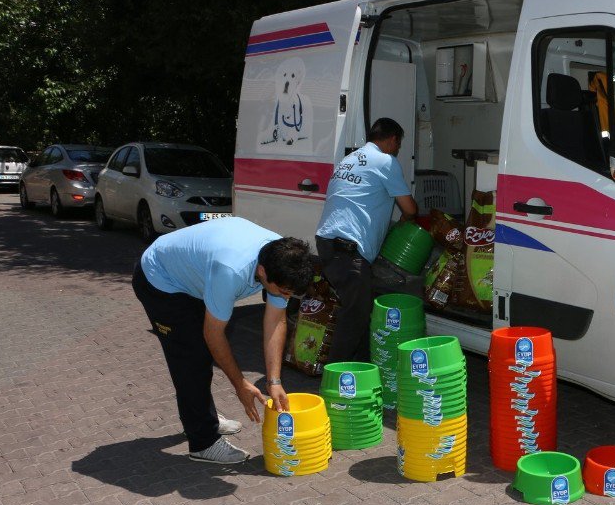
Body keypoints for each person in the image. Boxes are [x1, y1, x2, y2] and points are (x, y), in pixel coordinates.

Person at [132, 217, 317, 464]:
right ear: (262, 272)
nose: (286, 297)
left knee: (201, 351)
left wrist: (274, 381)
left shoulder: (281, 259)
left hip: (194, 275)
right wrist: (241, 384)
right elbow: (214, 334)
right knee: (191, 357)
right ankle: (203, 442)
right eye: (283, 292)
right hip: (160, 279)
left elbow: (275, 322)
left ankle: (203, 417)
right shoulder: (230, 271)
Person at [315, 117, 418, 361]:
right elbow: (410, 209)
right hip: (348, 250)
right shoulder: (385, 162)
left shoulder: (349, 159)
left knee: (360, 311)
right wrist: (406, 221)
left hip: (328, 242)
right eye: (399, 144)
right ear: (392, 139)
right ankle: (336, 380)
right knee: (354, 317)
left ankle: (363, 370)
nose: (398, 149)